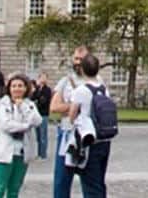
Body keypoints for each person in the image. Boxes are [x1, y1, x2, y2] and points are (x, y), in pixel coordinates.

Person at [62, 54, 113, 197]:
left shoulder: (81, 90)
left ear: (82, 69)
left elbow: (72, 115)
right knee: (99, 181)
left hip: (88, 139)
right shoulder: (104, 89)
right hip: (104, 139)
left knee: (90, 183)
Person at [0, 75, 43, 198]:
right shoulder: (2, 104)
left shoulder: (29, 104)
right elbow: (5, 124)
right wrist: (25, 126)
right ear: (9, 88)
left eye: (20, 86)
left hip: (21, 151)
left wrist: (23, 107)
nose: (17, 89)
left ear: (25, 88)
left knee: (14, 188)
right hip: (3, 151)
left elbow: (36, 121)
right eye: (14, 86)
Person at [49, 46, 90, 198]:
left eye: (82, 59)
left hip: (87, 135)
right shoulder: (66, 81)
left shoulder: (96, 81)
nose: (78, 62)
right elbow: (54, 107)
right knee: (61, 181)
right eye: (76, 59)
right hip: (67, 133)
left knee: (90, 181)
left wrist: (71, 107)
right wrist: (77, 106)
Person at [29, 72, 54, 160]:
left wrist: (37, 100)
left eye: (44, 77)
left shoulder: (47, 90)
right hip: (37, 114)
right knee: (38, 135)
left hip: (43, 114)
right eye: (41, 77)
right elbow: (32, 98)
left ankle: (43, 154)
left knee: (43, 134)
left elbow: (44, 100)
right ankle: (39, 153)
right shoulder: (37, 89)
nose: (42, 79)